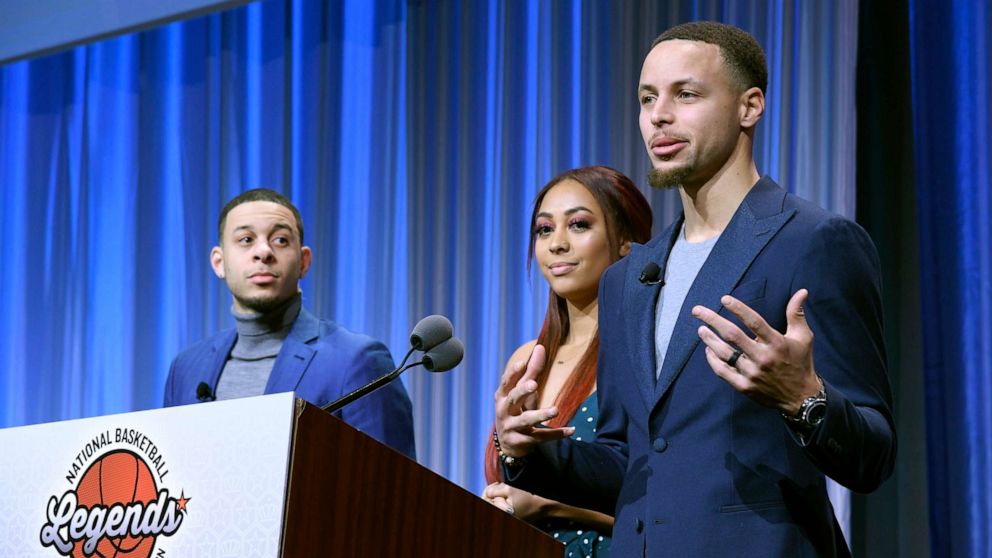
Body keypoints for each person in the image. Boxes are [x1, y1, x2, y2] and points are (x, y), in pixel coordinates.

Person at [494, 22, 895, 557]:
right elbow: (628, 463)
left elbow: (874, 454)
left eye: (686, 94)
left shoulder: (815, 242)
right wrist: (527, 454)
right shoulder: (626, 279)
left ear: (749, 107)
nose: (659, 115)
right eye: (647, 98)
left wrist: (804, 399)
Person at [164, 188, 415, 459]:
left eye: (281, 240)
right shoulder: (186, 368)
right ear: (219, 262)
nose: (263, 252)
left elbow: (393, 493)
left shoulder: (357, 362)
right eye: (246, 239)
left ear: (304, 262)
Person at [482, 166, 652, 557]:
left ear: (626, 240)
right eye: (544, 229)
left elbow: (665, 507)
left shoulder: (644, 350)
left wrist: (547, 506)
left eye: (577, 225)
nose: (556, 244)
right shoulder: (527, 361)